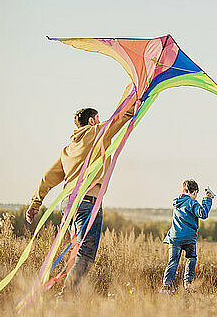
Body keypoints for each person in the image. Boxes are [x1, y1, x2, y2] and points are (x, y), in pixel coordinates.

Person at [25, 102, 135, 294]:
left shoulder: (67, 149)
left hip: (67, 206)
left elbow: (47, 178)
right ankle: (67, 297)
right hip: (87, 203)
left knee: (77, 250)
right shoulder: (96, 133)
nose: (100, 122)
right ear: (92, 120)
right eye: (98, 119)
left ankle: (66, 295)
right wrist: (138, 97)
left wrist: (36, 203)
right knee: (86, 252)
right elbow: (122, 118)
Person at [161, 179, 214, 291]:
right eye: (196, 193)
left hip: (174, 238)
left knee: (173, 262)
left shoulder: (177, 202)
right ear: (194, 192)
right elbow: (203, 214)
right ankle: (188, 283)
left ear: (183, 190)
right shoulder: (192, 202)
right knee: (191, 258)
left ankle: (166, 287)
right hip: (188, 238)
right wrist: (207, 199)